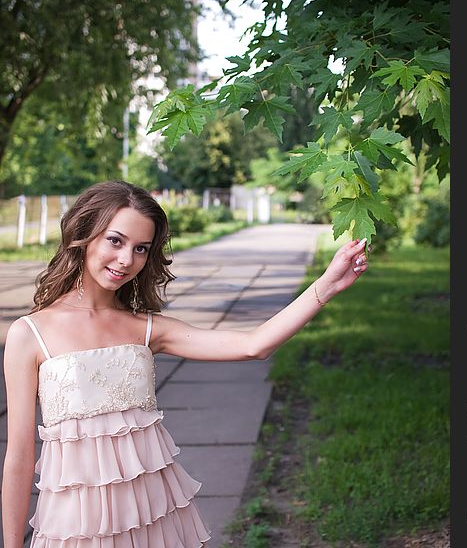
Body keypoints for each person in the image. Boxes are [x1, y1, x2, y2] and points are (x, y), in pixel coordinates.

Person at [1, 180, 369, 548]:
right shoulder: (29, 334)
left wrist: (327, 285)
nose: (127, 259)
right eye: (116, 240)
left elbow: (254, 345)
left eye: (141, 248)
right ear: (83, 235)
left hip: (154, 515)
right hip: (76, 526)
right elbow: (19, 456)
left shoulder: (146, 328)